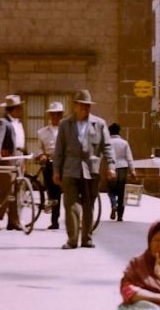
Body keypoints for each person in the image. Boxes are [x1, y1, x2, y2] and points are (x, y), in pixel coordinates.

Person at [52, 89, 115, 249]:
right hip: (70, 170)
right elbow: (59, 150)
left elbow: (107, 146)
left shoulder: (99, 124)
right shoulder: (65, 124)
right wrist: (56, 170)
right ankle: (72, 239)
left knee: (88, 205)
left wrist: (111, 166)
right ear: (75, 106)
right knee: (71, 205)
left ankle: (86, 238)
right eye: (82, 106)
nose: (85, 109)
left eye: (88, 106)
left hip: (91, 169)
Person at [0, 94, 26, 230]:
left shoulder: (18, 123)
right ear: (14, 109)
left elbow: (21, 141)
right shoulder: (3, 122)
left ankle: (13, 221)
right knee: (7, 190)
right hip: (7, 158)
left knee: (16, 190)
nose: (21, 110)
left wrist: (24, 157)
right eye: (19, 108)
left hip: (18, 157)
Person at [36, 101, 64, 230]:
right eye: (53, 114)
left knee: (65, 192)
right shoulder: (42, 132)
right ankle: (55, 220)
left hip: (64, 163)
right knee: (53, 193)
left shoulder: (66, 130)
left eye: (58, 114)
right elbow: (39, 148)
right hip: (50, 163)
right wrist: (41, 155)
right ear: (49, 115)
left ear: (62, 115)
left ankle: (70, 219)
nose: (55, 117)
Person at [107, 123, 136, 221]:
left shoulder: (108, 143)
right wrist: (132, 171)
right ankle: (120, 216)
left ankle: (113, 204)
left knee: (110, 190)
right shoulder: (124, 143)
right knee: (122, 193)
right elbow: (129, 158)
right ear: (119, 131)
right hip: (123, 168)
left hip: (112, 168)